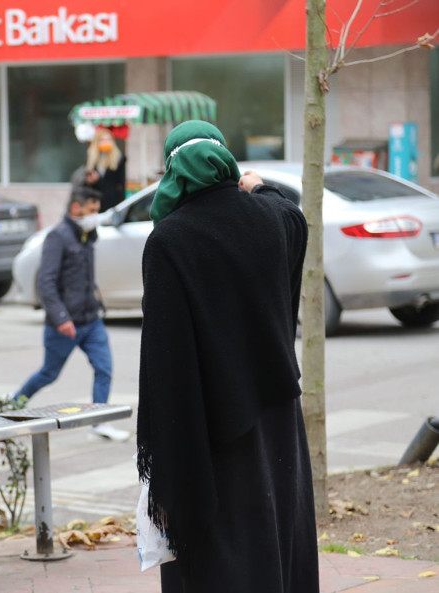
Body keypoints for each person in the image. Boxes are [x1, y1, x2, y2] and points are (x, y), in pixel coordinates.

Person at [136, 120, 317, 592]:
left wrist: (169, 452)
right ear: (226, 163)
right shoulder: (274, 219)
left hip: (211, 429)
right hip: (278, 415)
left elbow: (166, 358)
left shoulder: (170, 241)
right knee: (279, 529)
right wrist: (262, 186)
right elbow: (292, 211)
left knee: (224, 547)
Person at [14, 187, 130, 442]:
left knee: (104, 368)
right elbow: (45, 282)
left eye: (97, 211)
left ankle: (99, 422)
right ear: (76, 208)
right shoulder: (58, 236)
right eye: (91, 210)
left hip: (91, 319)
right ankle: (12, 405)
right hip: (65, 324)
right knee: (49, 373)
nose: (95, 216)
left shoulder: (86, 234)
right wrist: (61, 318)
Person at [83, 126, 126, 212]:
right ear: (97, 142)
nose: (106, 142)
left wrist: (120, 207)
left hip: (112, 203)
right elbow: (86, 183)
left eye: (108, 139)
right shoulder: (92, 158)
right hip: (95, 204)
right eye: (102, 140)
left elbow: (121, 184)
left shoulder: (119, 158)